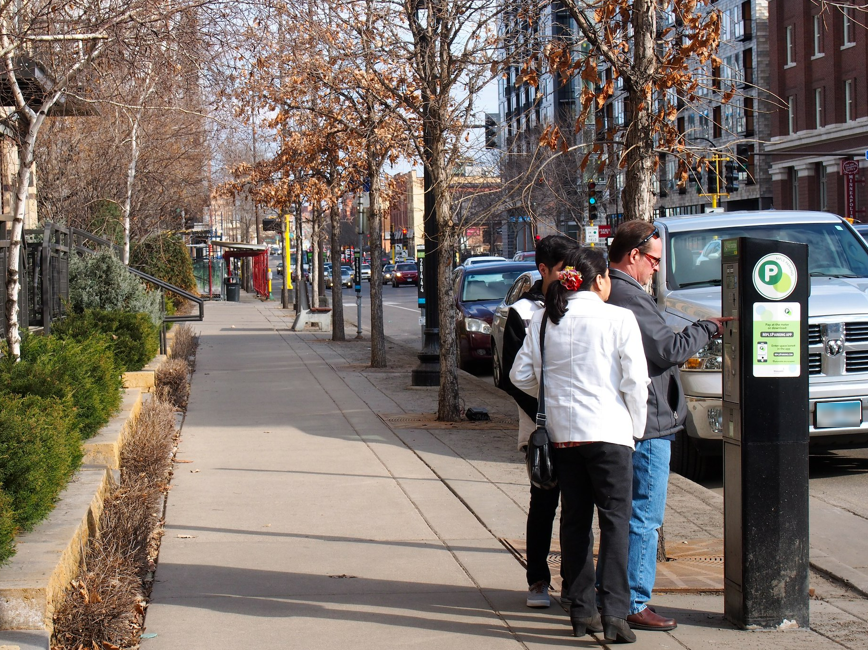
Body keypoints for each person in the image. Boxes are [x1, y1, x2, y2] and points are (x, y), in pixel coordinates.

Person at [511, 246, 649, 643]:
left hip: (563, 435)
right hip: (610, 434)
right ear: (600, 279)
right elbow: (635, 383)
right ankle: (616, 614)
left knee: (574, 523)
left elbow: (520, 375)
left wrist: (551, 399)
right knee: (615, 522)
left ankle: (582, 610)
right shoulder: (619, 318)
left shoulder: (543, 319)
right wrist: (634, 429)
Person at [606, 221, 731, 632]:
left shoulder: (611, 291)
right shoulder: (629, 296)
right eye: (654, 260)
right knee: (645, 515)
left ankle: (617, 596)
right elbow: (668, 349)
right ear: (633, 256)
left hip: (631, 419)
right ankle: (635, 601)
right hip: (650, 423)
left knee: (625, 514)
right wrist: (707, 327)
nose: (657, 268)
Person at [500, 235, 573, 608]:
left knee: (578, 507)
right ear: (543, 270)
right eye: (563, 268)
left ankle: (575, 581)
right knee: (543, 502)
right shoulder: (523, 313)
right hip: (541, 426)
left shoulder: (582, 307)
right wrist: (545, 415)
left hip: (579, 425)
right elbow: (510, 378)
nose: (570, 275)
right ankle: (538, 580)